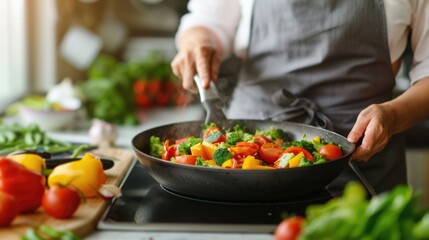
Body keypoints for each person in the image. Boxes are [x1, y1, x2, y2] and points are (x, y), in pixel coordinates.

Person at [171, 0, 429, 194]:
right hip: (245, 160)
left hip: (361, 155)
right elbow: (207, 20)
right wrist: (198, 43)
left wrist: (392, 117)